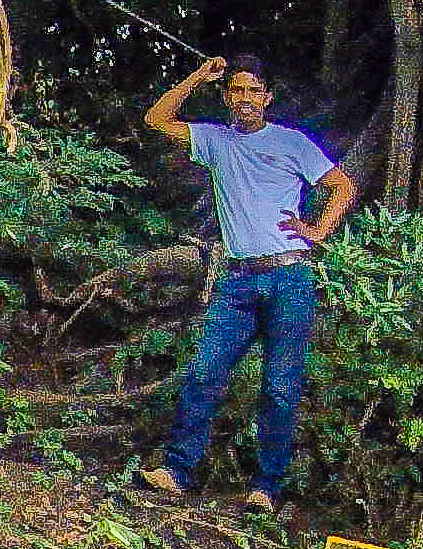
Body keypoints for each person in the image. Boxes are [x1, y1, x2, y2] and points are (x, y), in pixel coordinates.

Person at [136, 52, 357, 517]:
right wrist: (199, 76)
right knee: (202, 373)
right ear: (227, 97)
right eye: (236, 90)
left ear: (267, 97)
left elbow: (342, 186)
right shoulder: (215, 140)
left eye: (253, 90)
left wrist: (318, 230)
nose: (245, 99)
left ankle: (266, 486)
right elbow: (157, 118)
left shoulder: (292, 142)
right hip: (236, 280)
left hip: (289, 276)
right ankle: (177, 472)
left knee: (279, 386)